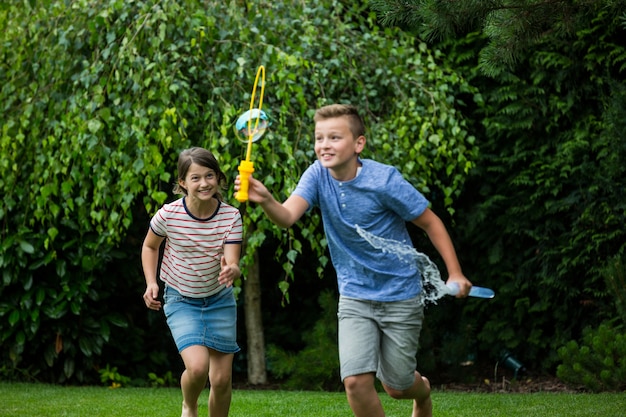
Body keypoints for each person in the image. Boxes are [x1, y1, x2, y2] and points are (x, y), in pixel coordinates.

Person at [235, 104, 472, 417]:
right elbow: (288, 216)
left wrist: (455, 273)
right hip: (354, 294)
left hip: (400, 293)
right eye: (319, 138)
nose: (324, 145)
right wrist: (266, 200)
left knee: (397, 387)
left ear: (358, 144)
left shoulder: (384, 180)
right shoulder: (317, 175)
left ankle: (422, 393)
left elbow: (431, 223)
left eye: (334, 137)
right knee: (356, 383)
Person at [142, 147, 243, 417]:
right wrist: (151, 282)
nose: (204, 183)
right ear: (183, 183)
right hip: (181, 299)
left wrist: (231, 269)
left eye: (209, 175)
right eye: (195, 178)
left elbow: (233, 261)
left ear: (218, 178)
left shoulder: (230, 216)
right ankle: (189, 404)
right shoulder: (168, 215)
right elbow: (150, 247)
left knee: (221, 381)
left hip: (219, 300)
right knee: (197, 368)